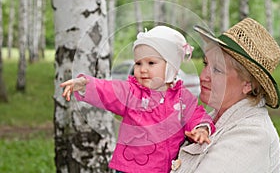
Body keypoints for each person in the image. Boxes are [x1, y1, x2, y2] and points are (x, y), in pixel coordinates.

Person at [60, 26, 216, 173]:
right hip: (129, 168)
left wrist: (202, 129)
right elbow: (108, 90)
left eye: (151, 63)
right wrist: (85, 84)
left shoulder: (183, 99)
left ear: (171, 67)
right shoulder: (131, 92)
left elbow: (197, 114)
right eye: (138, 63)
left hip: (166, 168)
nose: (143, 69)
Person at [171, 18, 280, 173]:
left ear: (248, 84)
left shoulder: (253, 135)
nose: (203, 76)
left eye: (217, 70)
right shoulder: (214, 118)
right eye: (206, 64)